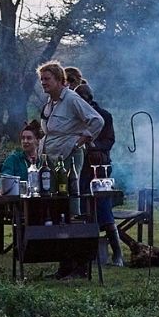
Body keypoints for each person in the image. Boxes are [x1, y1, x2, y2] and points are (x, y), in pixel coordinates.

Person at [37, 60, 104, 279]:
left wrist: (81, 141)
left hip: (68, 156)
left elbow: (96, 121)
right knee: (56, 207)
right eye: (42, 79)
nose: (43, 83)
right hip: (51, 158)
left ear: (59, 80)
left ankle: (78, 265)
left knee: (71, 206)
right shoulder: (51, 103)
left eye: (47, 79)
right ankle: (64, 264)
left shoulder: (72, 99)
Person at [73, 80, 124, 266]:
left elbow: (109, 141)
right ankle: (88, 254)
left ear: (89, 99)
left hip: (99, 168)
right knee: (83, 210)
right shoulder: (75, 117)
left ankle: (117, 254)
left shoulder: (103, 116)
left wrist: (92, 146)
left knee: (103, 208)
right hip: (79, 167)